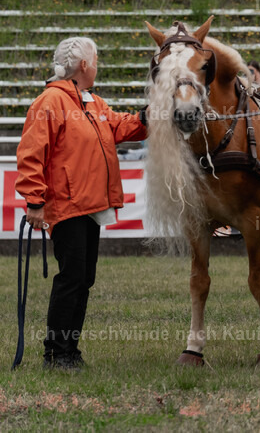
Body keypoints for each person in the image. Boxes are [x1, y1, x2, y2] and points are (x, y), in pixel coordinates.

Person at [16, 37, 147, 371]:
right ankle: (55, 353)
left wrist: (149, 117)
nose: (98, 63)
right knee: (72, 278)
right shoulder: (50, 101)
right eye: (97, 58)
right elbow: (31, 154)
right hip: (66, 206)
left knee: (83, 278)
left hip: (89, 206)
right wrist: (34, 201)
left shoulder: (93, 103)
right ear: (85, 65)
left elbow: (121, 126)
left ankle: (68, 350)